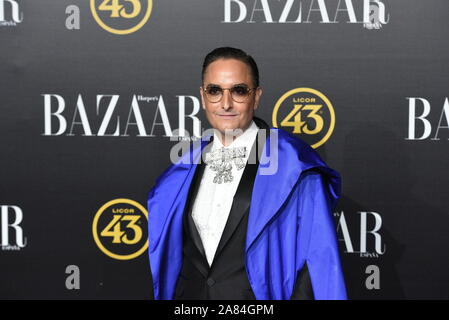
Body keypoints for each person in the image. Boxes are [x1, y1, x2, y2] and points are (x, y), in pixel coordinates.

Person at [147, 47, 347, 300]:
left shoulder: (295, 167)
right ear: (202, 96)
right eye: (215, 91)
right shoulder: (180, 172)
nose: (226, 103)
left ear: (257, 96)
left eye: (239, 91)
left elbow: (317, 265)